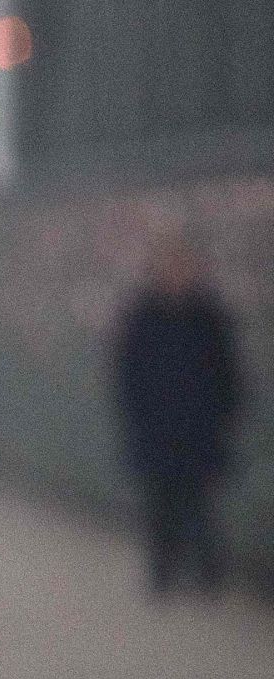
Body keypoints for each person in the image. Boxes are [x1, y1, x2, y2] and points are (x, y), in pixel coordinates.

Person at [112, 236, 244, 596]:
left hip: (202, 427)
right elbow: (127, 374)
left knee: (201, 503)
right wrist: (135, 417)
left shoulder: (210, 316)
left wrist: (228, 413)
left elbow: (228, 371)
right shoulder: (142, 316)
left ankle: (208, 575)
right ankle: (163, 574)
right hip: (156, 429)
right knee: (160, 503)